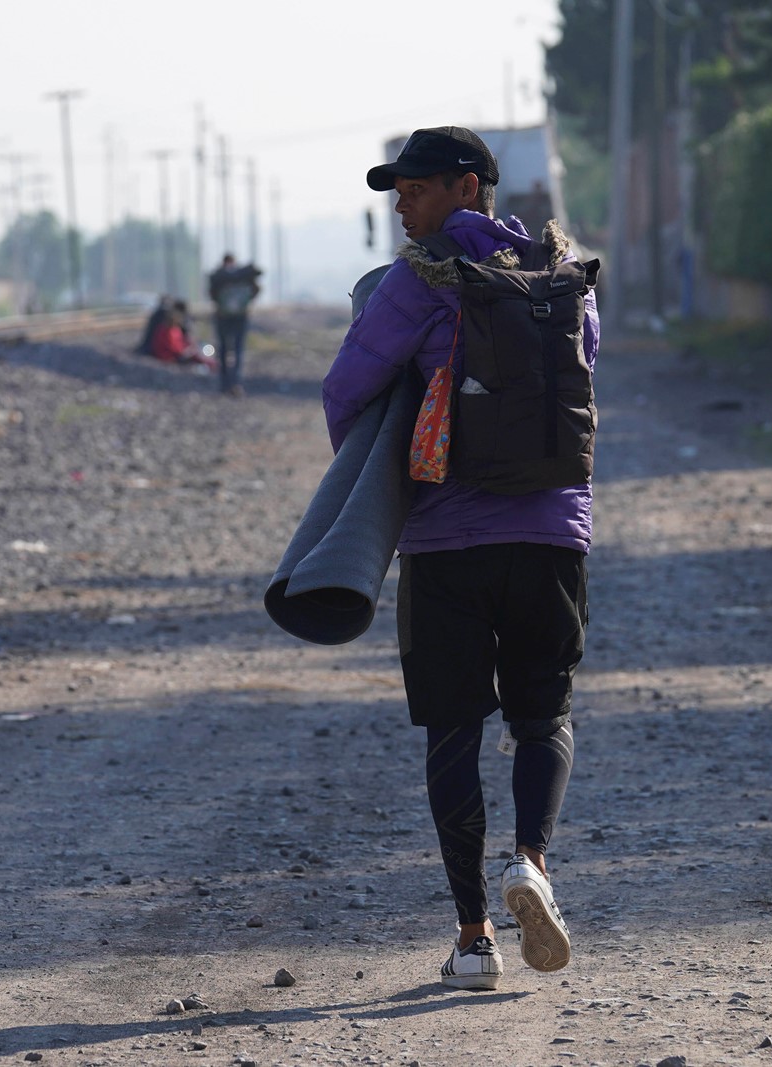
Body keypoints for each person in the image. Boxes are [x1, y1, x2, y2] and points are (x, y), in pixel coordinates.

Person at [321, 127, 599, 991]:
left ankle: (474, 938)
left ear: (467, 187)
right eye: (396, 189)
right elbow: (584, 376)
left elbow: (346, 390)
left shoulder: (417, 280)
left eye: (416, 186)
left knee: (454, 727)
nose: (400, 202)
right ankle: (532, 862)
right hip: (552, 533)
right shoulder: (563, 273)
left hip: (444, 541)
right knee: (542, 716)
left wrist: (382, 485)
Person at [207, 253, 261, 397]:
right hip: (240, 317)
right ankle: (236, 383)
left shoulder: (219, 276)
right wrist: (246, 301)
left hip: (222, 317)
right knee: (238, 350)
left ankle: (224, 384)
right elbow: (256, 290)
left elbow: (211, 294)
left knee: (224, 350)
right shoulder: (243, 276)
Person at [149, 299, 216, 371]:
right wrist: (185, 351)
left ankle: (212, 364)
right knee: (195, 356)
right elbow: (172, 348)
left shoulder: (176, 329)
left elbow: (181, 343)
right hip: (169, 357)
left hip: (178, 353)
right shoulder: (166, 330)